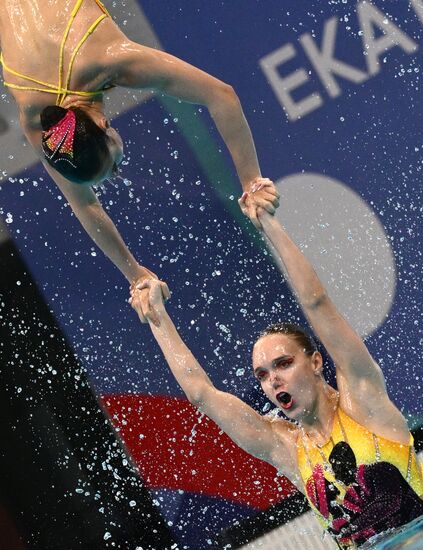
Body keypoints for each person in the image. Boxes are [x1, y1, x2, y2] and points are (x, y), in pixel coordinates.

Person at [130, 183, 423, 549]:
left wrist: (268, 222)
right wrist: (157, 316)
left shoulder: (363, 402)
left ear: (315, 362)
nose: (273, 381)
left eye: (283, 363)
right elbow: (202, 395)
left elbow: (317, 304)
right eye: (263, 375)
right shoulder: (286, 447)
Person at [0, 0, 279, 316]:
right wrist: (133, 273)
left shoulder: (110, 60)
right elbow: (84, 203)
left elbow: (221, 95)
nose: (119, 172)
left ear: (104, 126)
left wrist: (251, 181)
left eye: (115, 164)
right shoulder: (38, 119)